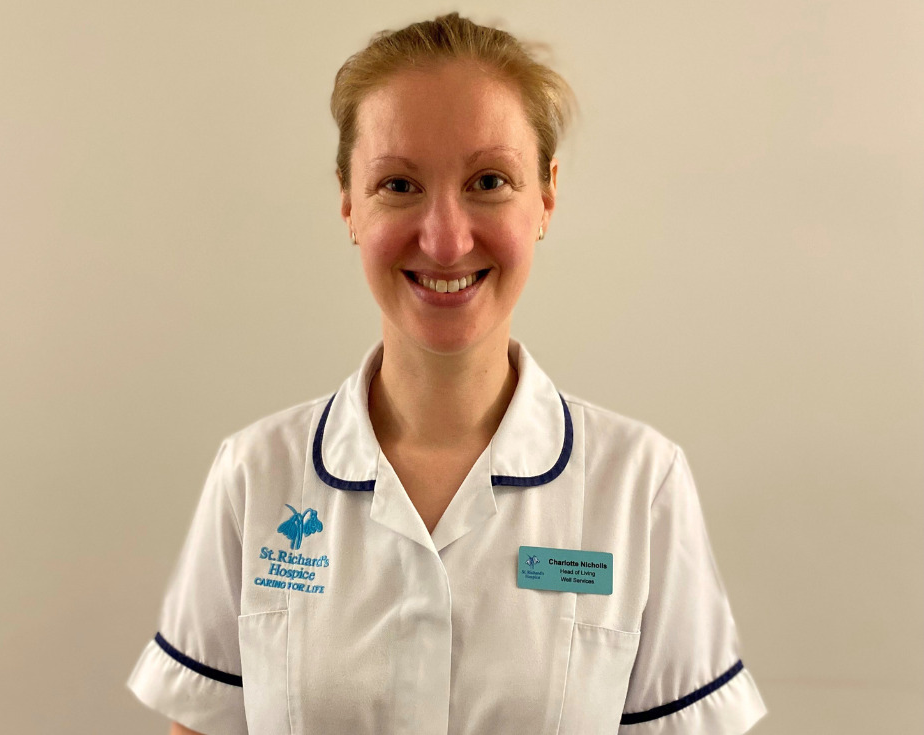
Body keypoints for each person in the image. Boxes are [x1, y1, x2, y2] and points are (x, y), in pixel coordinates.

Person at [128, 13, 767, 735]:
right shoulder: (255, 475)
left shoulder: (637, 485)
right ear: (348, 201)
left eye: (488, 180)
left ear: (547, 196)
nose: (444, 238)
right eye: (398, 184)